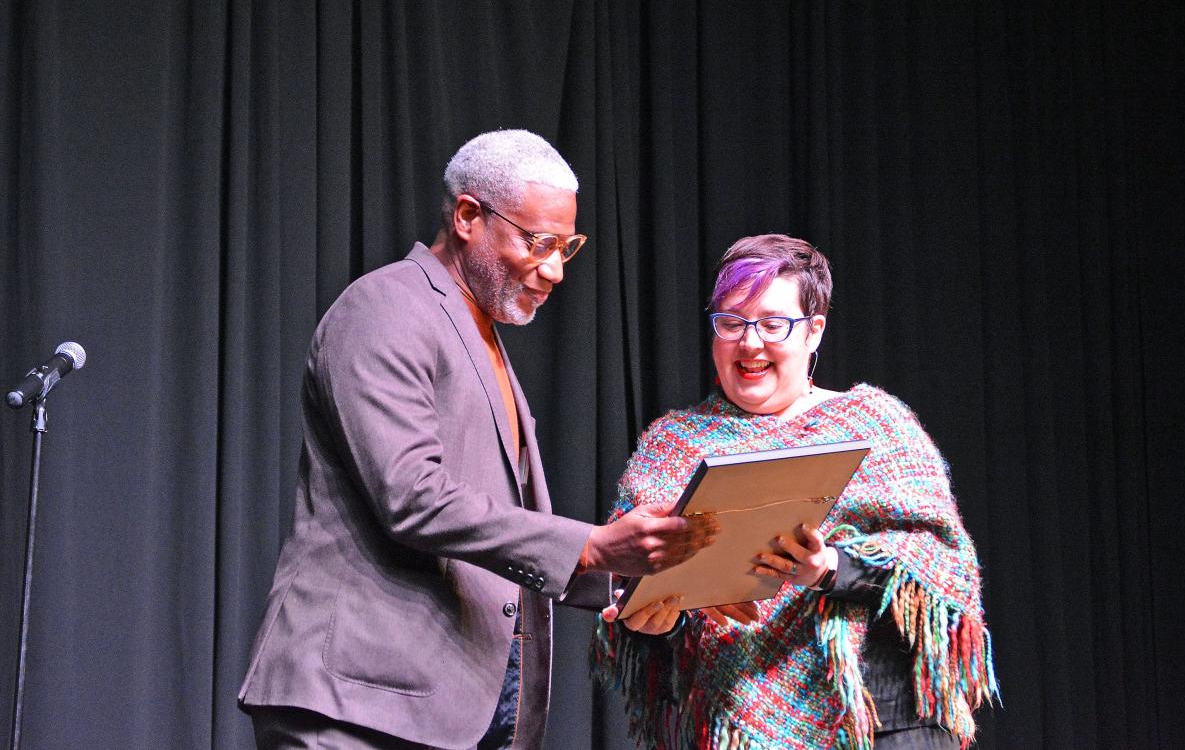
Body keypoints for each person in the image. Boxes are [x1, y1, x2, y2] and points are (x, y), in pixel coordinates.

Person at [239, 129, 715, 750]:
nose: (554, 270)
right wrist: (595, 546)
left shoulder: (477, 333)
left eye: (566, 247)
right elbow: (412, 495)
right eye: (538, 243)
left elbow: (504, 530)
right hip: (359, 705)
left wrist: (643, 577)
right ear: (468, 216)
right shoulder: (386, 307)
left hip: (456, 707)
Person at [593, 234, 999, 750]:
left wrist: (829, 567)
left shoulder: (875, 424)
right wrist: (653, 622)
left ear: (814, 332)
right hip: (732, 727)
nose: (750, 343)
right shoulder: (671, 445)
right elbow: (626, 592)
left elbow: (941, 567)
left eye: (772, 323)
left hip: (884, 726)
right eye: (731, 322)